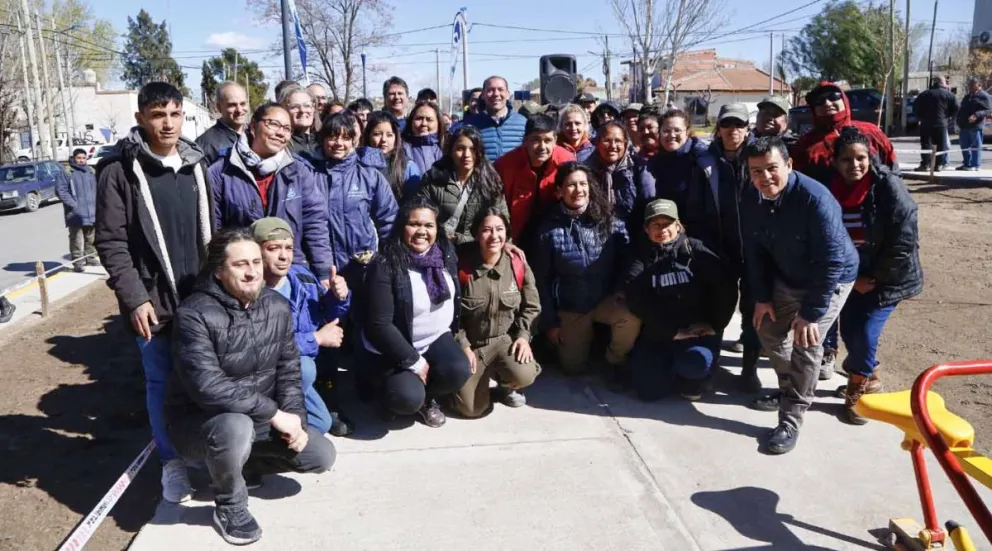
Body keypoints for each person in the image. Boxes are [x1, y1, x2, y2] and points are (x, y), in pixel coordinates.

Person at [167, 228, 335, 546]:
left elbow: (288, 371)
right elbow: (208, 387)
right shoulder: (193, 314)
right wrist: (273, 413)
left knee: (320, 454)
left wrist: (295, 421)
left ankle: (244, 465)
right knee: (235, 427)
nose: (252, 272)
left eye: (256, 262)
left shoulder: (276, 307)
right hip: (199, 423)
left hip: (254, 417)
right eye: (240, 264)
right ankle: (230, 505)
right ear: (218, 271)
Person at [95, 82, 214, 503]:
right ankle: (172, 463)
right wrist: (135, 298)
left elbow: (211, 234)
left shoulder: (197, 165)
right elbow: (111, 243)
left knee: (204, 381)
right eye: (158, 114)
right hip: (154, 303)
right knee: (161, 384)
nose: (168, 123)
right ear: (142, 118)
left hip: (202, 301)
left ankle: (205, 454)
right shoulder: (119, 172)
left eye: (175, 113)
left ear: (184, 117)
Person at [742, 137, 858, 455]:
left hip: (828, 278)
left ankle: (791, 419)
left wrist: (811, 312)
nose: (764, 178)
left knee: (806, 340)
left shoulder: (815, 199)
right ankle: (789, 387)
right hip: (787, 274)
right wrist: (763, 297)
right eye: (755, 171)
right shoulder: (751, 197)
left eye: (771, 168)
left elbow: (832, 260)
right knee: (767, 328)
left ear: (789, 165)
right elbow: (754, 251)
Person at [827, 127, 923, 424]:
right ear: (835, 161)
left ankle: (858, 392)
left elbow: (904, 242)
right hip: (852, 276)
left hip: (888, 278)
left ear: (870, 158)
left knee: (867, 333)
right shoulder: (829, 188)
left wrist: (876, 278)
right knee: (850, 333)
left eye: (860, 158)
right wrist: (853, 278)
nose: (854, 165)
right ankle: (871, 373)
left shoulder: (888, 187)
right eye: (846, 159)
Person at [361, 196, 473, 427]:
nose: (422, 231)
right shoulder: (384, 265)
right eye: (414, 224)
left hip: (434, 339)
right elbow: (379, 326)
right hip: (395, 348)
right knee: (406, 398)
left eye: (428, 225)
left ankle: (427, 399)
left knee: (459, 370)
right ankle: (388, 393)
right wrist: (414, 361)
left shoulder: (445, 252)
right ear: (402, 227)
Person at [532, 162, 640, 377]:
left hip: (604, 299)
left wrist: (620, 289)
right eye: (571, 185)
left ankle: (614, 360)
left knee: (630, 317)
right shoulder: (548, 230)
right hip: (571, 305)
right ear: (559, 191)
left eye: (583, 184)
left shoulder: (610, 220)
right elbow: (541, 281)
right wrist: (551, 323)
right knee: (573, 367)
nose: (578, 190)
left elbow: (628, 261)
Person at [209, 102, 333, 281]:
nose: (280, 133)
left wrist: (323, 272)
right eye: (273, 124)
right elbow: (215, 230)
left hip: (290, 270)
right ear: (252, 126)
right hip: (243, 275)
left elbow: (315, 223)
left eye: (287, 128)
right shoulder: (221, 172)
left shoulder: (299, 171)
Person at [252, 217, 353, 435]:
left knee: (321, 423)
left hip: (303, 373)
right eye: (274, 248)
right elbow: (262, 346)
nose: (283, 255)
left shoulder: (302, 277)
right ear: (257, 252)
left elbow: (327, 315)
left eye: (288, 247)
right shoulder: (250, 289)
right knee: (304, 366)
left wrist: (339, 296)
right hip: (265, 377)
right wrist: (315, 339)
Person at [625, 199, 727, 401]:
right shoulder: (640, 256)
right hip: (662, 332)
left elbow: (726, 288)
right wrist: (671, 332)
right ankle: (667, 370)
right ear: (646, 229)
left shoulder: (697, 251)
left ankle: (693, 376)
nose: (662, 229)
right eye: (656, 224)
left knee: (694, 365)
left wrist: (716, 325)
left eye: (667, 224)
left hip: (697, 332)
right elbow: (635, 298)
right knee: (648, 392)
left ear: (679, 226)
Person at [453, 209, 541, 416]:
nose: (494, 236)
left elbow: (532, 306)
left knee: (524, 375)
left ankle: (505, 384)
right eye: (486, 230)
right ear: (476, 234)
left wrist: (523, 337)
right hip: (472, 344)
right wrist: (462, 344)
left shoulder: (517, 263)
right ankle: (474, 384)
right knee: (471, 409)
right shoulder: (461, 266)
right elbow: (450, 315)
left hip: (503, 340)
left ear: (507, 233)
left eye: (499, 229)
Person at [709, 104, 761, 388]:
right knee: (718, 306)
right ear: (719, 128)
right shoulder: (705, 161)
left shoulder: (758, 157)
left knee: (754, 308)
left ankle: (749, 367)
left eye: (739, 125)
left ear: (747, 128)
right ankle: (709, 361)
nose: (733, 130)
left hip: (755, 248)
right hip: (720, 248)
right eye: (727, 124)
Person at [317, 110, 399, 288]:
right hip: (326, 271)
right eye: (332, 137)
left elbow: (388, 220)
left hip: (364, 267)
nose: (339, 143)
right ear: (323, 139)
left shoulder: (369, 176)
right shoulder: (311, 176)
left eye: (345, 138)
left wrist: (386, 261)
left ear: (354, 140)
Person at [647, 109, 726, 254]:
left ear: (687, 132)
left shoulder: (702, 159)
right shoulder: (658, 161)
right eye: (666, 131)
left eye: (677, 130)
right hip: (669, 231)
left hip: (701, 234)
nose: (671, 135)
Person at [416, 125, 509, 245]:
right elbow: (420, 215)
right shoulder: (433, 179)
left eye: (473, 149)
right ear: (451, 151)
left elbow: (502, 219)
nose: (467, 155)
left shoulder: (490, 180)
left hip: (478, 247)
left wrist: (506, 244)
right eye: (460, 149)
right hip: (440, 245)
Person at [791, 82, 896, 185]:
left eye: (833, 96)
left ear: (844, 99)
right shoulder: (805, 145)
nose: (827, 103)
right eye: (819, 101)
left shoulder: (872, 132)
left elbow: (893, 171)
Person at [494, 114, 576, 245]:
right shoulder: (504, 166)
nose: (542, 147)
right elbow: (496, 208)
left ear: (555, 140)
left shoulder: (566, 161)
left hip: (557, 233)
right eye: (535, 140)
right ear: (525, 141)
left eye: (547, 140)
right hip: (516, 234)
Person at [584, 121, 655, 229]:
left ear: (625, 144)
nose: (613, 146)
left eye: (618, 141)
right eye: (607, 140)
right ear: (598, 142)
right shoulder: (587, 169)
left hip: (633, 230)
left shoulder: (637, 167)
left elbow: (648, 198)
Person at [460, 75, 527, 160]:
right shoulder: (470, 125)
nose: (496, 94)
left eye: (500, 89)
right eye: (490, 90)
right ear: (483, 95)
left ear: (508, 95)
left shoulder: (523, 123)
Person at [362, 110, 421, 198]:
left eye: (389, 135)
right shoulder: (358, 163)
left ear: (396, 137)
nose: (383, 140)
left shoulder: (408, 167)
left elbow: (412, 204)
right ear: (368, 136)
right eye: (377, 134)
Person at [57, 148, 99, 272]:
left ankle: (90, 257)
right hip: (75, 213)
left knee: (91, 237)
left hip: (91, 211)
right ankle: (78, 262)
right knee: (77, 238)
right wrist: (73, 205)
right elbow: (61, 190)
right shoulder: (67, 172)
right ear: (74, 158)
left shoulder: (90, 171)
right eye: (79, 158)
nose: (81, 160)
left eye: (83, 158)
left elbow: (96, 189)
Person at [196, 82, 249, 166]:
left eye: (243, 104)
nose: (239, 110)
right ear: (219, 107)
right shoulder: (205, 145)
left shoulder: (256, 136)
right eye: (232, 105)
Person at [913, 76, 959, 172]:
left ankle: (925, 164)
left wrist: (921, 118)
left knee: (926, 145)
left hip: (926, 123)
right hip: (941, 123)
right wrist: (948, 117)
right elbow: (956, 108)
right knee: (941, 145)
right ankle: (938, 165)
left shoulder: (924, 94)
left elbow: (916, 108)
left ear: (934, 83)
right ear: (942, 83)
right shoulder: (949, 95)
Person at [956, 77, 990, 171]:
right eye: (969, 84)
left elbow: (988, 110)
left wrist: (976, 115)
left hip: (975, 125)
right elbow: (962, 108)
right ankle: (967, 163)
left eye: (972, 84)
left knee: (976, 145)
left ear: (979, 85)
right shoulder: (968, 96)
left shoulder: (984, 96)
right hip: (964, 125)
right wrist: (958, 120)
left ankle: (976, 165)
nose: (970, 86)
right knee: (964, 145)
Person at [402, 100, 444, 174]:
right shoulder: (401, 148)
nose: (424, 123)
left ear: (439, 123)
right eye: (419, 119)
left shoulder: (447, 148)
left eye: (429, 119)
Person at [278, 85, 319, 161]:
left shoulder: (323, 142)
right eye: (295, 107)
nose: (302, 110)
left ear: (313, 109)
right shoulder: (281, 144)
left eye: (307, 106)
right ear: (285, 111)